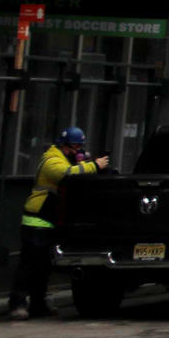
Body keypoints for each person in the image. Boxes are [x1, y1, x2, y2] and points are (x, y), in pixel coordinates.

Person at [14, 126, 109, 319]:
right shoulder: (51, 160)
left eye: (79, 147)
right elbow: (66, 174)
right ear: (63, 145)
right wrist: (95, 165)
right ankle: (17, 303)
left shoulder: (65, 158)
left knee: (43, 268)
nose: (76, 151)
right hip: (37, 220)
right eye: (74, 147)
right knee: (30, 265)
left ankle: (38, 305)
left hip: (50, 220)